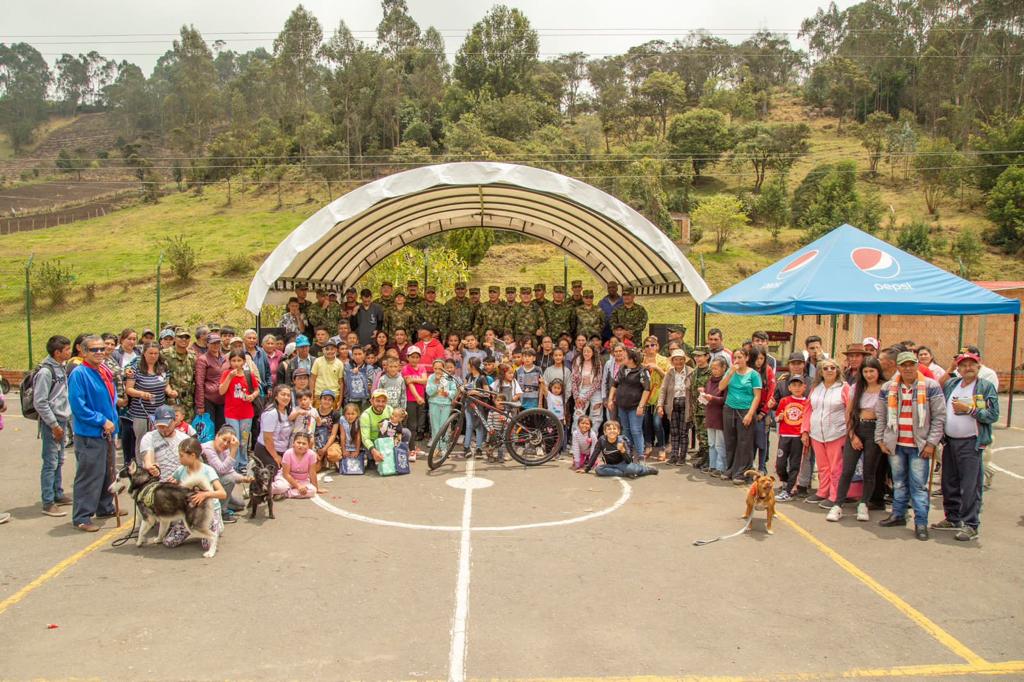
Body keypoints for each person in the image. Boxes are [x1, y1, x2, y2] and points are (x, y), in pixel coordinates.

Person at [875, 351, 946, 541]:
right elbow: (881, 416)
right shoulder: (888, 388)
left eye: (911, 364)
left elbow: (939, 416)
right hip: (895, 443)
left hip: (919, 445)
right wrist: (880, 439)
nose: (907, 368)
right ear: (898, 367)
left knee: (919, 486)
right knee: (898, 482)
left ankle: (921, 521)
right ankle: (898, 514)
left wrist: (932, 443)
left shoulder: (930, 387)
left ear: (917, 365)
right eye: (903, 365)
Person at [931, 351, 999, 542]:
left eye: (971, 364)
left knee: (970, 485)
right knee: (949, 482)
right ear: (958, 368)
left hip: (971, 442)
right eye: (963, 365)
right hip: (950, 441)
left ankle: (971, 524)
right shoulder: (953, 384)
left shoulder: (985, 387)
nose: (968, 368)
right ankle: (953, 518)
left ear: (979, 366)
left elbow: (993, 414)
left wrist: (969, 410)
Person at [67, 335, 123, 532]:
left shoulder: (103, 369)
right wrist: (101, 420)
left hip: (107, 431)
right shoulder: (79, 374)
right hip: (90, 433)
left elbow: (111, 396)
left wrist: (112, 422)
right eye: (94, 350)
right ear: (83, 352)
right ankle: (82, 516)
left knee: (108, 472)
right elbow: (78, 407)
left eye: (101, 349)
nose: (99, 352)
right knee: (89, 474)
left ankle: (104, 506)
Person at [830, 357, 883, 521]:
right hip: (857, 428)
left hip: (875, 430)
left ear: (878, 371)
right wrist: (852, 435)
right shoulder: (856, 387)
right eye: (865, 371)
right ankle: (838, 505)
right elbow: (849, 412)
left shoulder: (886, 388)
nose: (868, 374)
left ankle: (863, 504)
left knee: (869, 470)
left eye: (871, 371)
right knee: (847, 470)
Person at [161, 437, 227, 552]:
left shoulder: (207, 470)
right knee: (169, 542)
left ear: (192, 455)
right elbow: (177, 485)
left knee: (207, 545)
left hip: (208, 511)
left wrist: (205, 495)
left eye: (182, 455)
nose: (179, 458)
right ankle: (192, 528)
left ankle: (217, 524)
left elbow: (222, 494)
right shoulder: (180, 470)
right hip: (189, 512)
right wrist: (173, 483)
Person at [802, 358, 849, 508]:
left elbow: (850, 410)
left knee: (836, 467)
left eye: (832, 368)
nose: (829, 371)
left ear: (837, 370)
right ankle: (823, 491)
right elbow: (808, 409)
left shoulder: (844, 388)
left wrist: (850, 431)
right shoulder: (816, 388)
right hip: (816, 433)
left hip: (837, 433)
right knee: (822, 465)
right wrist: (805, 431)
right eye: (825, 368)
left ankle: (835, 495)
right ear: (820, 372)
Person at [34, 335, 73, 517]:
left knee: (60, 459)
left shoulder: (61, 367)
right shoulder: (46, 372)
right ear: (57, 352)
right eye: (66, 349)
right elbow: (40, 402)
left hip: (62, 419)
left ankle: (57, 493)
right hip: (53, 422)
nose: (69, 352)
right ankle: (48, 501)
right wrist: (54, 425)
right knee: (50, 461)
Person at [719, 348, 762, 484]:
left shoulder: (753, 375)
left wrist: (750, 414)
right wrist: (730, 372)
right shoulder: (731, 372)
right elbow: (721, 387)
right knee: (730, 440)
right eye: (735, 357)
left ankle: (743, 472)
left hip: (745, 410)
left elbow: (757, 396)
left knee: (744, 442)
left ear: (747, 358)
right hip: (729, 408)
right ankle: (730, 468)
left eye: (740, 357)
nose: (737, 360)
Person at [608, 348, 651, 463]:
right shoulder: (622, 369)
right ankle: (628, 454)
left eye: (624, 356)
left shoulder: (642, 371)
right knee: (626, 430)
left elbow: (647, 389)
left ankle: (641, 456)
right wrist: (610, 399)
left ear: (631, 359)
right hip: (622, 406)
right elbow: (615, 384)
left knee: (636, 430)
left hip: (635, 406)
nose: (621, 357)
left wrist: (641, 406)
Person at [219, 349, 259, 462]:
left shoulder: (248, 374)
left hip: (246, 413)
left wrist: (252, 396)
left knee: (244, 440)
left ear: (244, 362)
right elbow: (221, 391)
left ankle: (243, 462)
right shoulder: (226, 374)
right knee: (233, 439)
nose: (236, 363)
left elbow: (256, 390)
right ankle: (233, 463)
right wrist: (230, 378)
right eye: (233, 360)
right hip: (231, 413)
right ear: (229, 362)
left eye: (239, 360)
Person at [581, 420, 658, 478]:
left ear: (618, 432)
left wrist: (622, 450)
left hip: (623, 464)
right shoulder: (602, 440)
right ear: (605, 432)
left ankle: (647, 470)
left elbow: (628, 461)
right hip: (610, 465)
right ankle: (625, 473)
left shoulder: (621, 441)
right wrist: (587, 469)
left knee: (631, 469)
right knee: (598, 470)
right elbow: (595, 453)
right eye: (609, 429)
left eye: (614, 429)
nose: (612, 431)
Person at [774, 375, 809, 502]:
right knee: (780, 464)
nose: (797, 388)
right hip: (785, 436)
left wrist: (806, 434)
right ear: (789, 387)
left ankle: (788, 491)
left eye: (800, 385)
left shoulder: (806, 402)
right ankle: (786, 482)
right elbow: (777, 417)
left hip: (798, 437)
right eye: (794, 385)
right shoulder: (784, 400)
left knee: (795, 464)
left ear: (804, 387)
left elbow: (808, 419)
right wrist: (780, 417)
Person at [658, 349, 692, 466]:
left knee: (683, 431)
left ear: (684, 360)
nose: (678, 362)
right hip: (672, 404)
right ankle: (674, 455)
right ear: (672, 361)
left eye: (681, 359)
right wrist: (660, 405)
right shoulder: (669, 373)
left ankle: (682, 456)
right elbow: (663, 390)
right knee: (674, 431)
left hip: (685, 404)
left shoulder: (691, 372)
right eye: (676, 359)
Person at [640, 336, 670, 460]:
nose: (650, 348)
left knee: (657, 423)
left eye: (652, 345)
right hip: (644, 395)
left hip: (659, 395)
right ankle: (648, 446)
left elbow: (669, 376)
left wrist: (657, 368)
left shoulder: (663, 360)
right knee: (645, 423)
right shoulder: (641, 360)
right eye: (647, 346)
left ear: (657, 346)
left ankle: (662, 447)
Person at [255, 385, 294, 472]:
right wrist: (276, 457)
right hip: (267, 450)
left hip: (281, 450)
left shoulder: (287, 411)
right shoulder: (272, 413)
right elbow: (267, 439)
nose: (286, 397)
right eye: (283, 394)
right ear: (276, 396)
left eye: (288, 395)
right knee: (276, 475)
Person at [271, 432, 321, 499]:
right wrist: (298, 486)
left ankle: (286, 494)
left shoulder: (312, 454)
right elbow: (286, 474)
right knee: (280, 487)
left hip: (302, 480)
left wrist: (316, 488)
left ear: (308, 445)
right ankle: (267, 490)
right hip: (286, 479)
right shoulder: (288, 453)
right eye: (298, 442)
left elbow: (312, 473)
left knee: (312, 490)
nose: (300, 445)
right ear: (293, 443)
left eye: (304, 444)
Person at [750, 347, 776, 474]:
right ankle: (751, 465)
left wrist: (763, 412)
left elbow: (771, 392)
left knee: (762, 439)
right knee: (751, 439)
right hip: (750, 410)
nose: (759, 361)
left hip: (763, 411)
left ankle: (762, 466)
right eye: (756, 358)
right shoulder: (749, 371)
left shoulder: (768, 371)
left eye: (761, 358)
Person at [161, 327, 196, 422]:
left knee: (186, 431)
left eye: (186, 337)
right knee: (169, 427)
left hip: (188, 401)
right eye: (181, 337)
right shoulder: (165, 354)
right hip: (170, 400)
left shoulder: (193, 357)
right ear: (175, 338)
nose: (184, 339)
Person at [195, 333, 227, 430]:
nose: (215, 345)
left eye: (218, 343)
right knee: (209, 428)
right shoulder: (203, 359)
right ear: (207, 344)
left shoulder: (225, 357)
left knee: (221, 428)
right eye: (213, 343)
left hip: (223, 398)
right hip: (209, 399)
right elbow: (199, 383)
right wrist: (200, 405)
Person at [571, 343, 604, 435]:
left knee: (596, 416)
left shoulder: (598, 363)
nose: (586, 353)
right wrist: (576, 397)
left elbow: (597, 382)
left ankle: (592, 440)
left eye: (588, 351)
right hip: (581, 390)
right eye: (584, 351)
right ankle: (576, 439)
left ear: (593, 352)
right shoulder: (577, 361)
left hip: (595, 391)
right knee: (578, 415)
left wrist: (585, 398)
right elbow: (573, 379)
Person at [360, 389, 395, 466]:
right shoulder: (366, 415)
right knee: (366, 442)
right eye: (378, 401)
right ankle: (371, 459)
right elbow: (365, 438)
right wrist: (374, 451)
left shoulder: (389, 409)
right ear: (371, 401)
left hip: (386, 439)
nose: (380, 404)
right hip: (373, 442)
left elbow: (396, 426)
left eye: (383, 401)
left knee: (406, 433)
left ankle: (393, 455)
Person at [426, 359, 458, 439]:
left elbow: (454, 391)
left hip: (446, 404)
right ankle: (436, 448)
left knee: (444, 427)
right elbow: (429, 392)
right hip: (434, 404)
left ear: (444, 368)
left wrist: (448, 393)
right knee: (435, 427)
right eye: (435, 368)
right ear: (433, 368)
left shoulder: (449, 378)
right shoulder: (431, 377)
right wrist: (436, 382)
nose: (437, 371)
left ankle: (443, 449)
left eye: (440, 368)